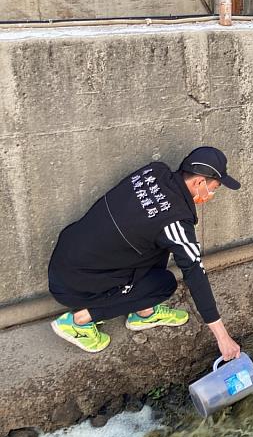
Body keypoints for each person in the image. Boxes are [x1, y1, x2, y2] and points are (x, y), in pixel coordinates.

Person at [48, 146, 242, 360]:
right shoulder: (176, 220)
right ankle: (79, 321)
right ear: (199, 183)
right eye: (214, 187)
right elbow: (195, 273)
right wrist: (223, 337)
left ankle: (144, 310)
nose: (212, 194)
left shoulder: (154, 172)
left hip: (67, 257)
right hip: (76, 286)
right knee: (164, 284)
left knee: (158, 242)